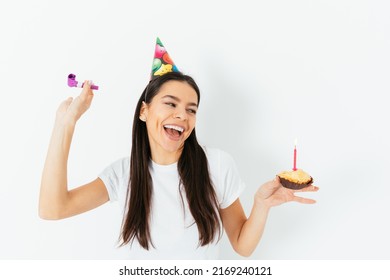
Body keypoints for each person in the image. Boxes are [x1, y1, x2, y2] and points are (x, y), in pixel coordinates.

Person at [39, 38, 318, 259]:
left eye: (191, 109)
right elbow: (53, 209)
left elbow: (242, 247)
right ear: (144, 111)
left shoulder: (217, 165)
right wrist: (66, 123)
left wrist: (261, 205)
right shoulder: (123, 174)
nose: (182, 116)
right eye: (171, 104)